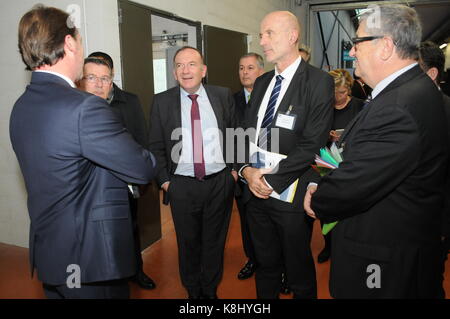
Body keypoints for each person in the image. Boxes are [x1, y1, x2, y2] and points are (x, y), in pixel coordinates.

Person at [10, 5, 156, 299]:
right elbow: (143, 168)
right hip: (89, 261)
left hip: (52, 255)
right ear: (69, 44)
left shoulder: (20, 107)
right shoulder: (85, 108)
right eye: (80, 39)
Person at [304, 4, 448, 298]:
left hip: (382, 262)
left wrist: (319, 196)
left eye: (357, 42)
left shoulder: (397, 108)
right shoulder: (415, 90)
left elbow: (350, 188)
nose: (352, 51)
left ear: (385, 46)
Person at [238, 11, 334, 299]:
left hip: (290, 194)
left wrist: (270, 180)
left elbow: (312, 143)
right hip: (255, 192)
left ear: (292, 37)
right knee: (266, 265)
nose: (262, 40)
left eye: (269, 34)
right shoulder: (264, 81)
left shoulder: (318, 82)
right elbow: (246, 132)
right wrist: (247, 171)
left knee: (298, 270)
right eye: (261, 34)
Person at [148, 46, 237, 299]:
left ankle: (210, 291)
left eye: (192, 64)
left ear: (203, 70)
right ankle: (193, 292)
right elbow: (154, 146)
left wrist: (232, 173)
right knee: (188, 244)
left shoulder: (222, 95)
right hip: (182, 186)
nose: (186, 70)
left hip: (220, 183)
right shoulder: (162, 101)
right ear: (174, 73)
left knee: (214, 242)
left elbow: (234, 135)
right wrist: (165, 182)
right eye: (179, 65)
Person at [78, 54, 156, 290]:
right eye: (92, 78)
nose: (99, 84)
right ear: (83, 80)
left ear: (112, 79)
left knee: (129, 229)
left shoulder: (128, 101)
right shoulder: (74, 104)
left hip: (124, 182)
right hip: (88, 187)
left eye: (104, 78)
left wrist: (143, 181)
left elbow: (141, 138)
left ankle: (135, 271)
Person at [419, 40, 450, 298]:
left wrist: (442, 227)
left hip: (435, 222)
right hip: (400, 223)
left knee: (430, 282)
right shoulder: (401, 107)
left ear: (432, 74)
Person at [233, 52, 264, 281]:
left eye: (250, 68)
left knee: (273, 223)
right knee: (246, 220)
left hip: (268, 172)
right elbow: (227, 136)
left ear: (260, 71)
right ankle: (252, 258)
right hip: (241, 172)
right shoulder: (230, 99)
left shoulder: (272, 98)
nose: (245, 72)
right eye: (242, 68)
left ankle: (279, 267)